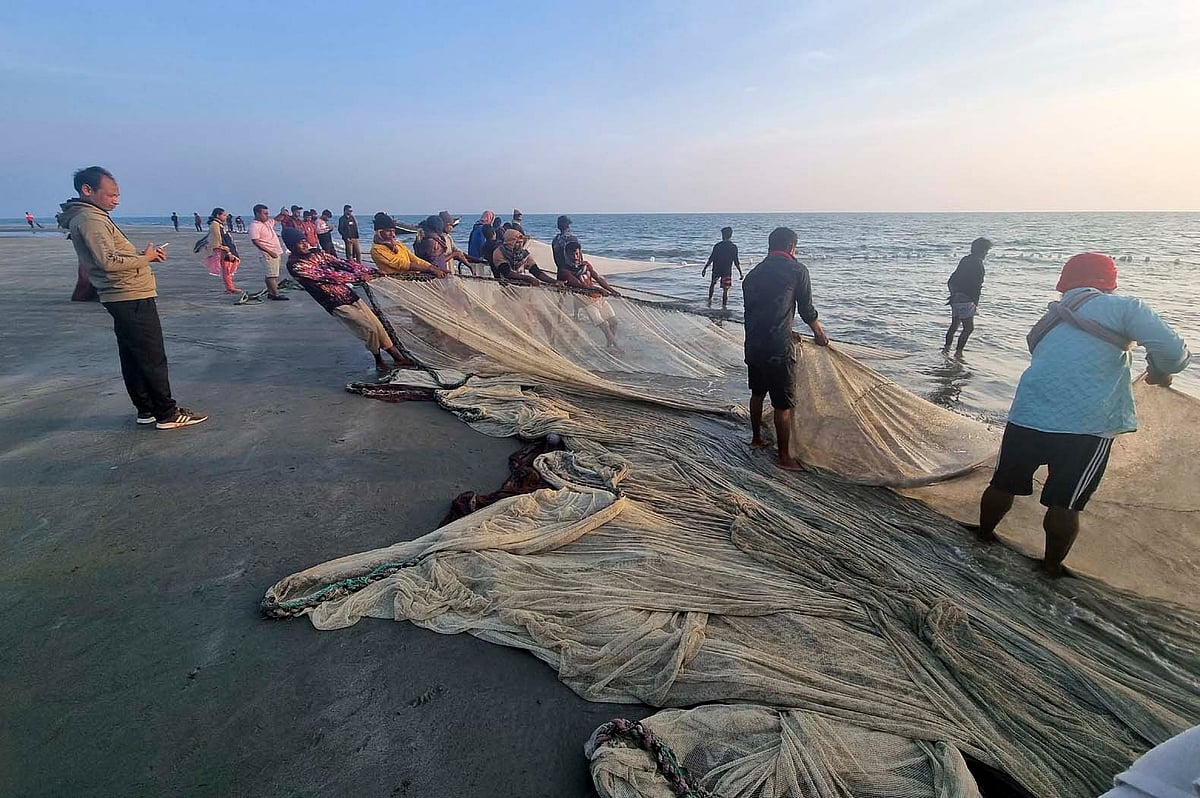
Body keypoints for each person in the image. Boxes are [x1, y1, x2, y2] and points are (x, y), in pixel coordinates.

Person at [975, 253, 1189, 577]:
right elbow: (1173, 355)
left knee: (1002, 484)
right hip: (1085, 424)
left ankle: (984, 535)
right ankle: (1050, 567)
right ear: (1110, 284)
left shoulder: (1052, 316)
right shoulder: (1125, 308)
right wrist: (1160, 369)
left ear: (1065, 284)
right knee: (1066, 502)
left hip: (1028, 413)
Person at [59, 166, 207, 429]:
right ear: (87, 190)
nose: (116, 200)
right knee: (151, 355)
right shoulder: (91, 220)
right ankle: (167, 413)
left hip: (122, 293)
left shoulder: (90, 216)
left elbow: (108, 257)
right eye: (111, 195)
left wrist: (141, 255)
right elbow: (107, 262)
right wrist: (145, 259)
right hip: (127, 292)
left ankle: (147, 409)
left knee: (134, 353)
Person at [742, 227, 829, 471]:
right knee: (783, 405)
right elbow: (806, 310)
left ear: (771, 246)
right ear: (792, 247)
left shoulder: (753, 274)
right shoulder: (797, 270)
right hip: (778, 349)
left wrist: (787, 330)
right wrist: (820, 334)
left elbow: (758, 312)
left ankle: (756, 438)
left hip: (753, 344)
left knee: (757, 394)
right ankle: (784, 458)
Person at [282, 226, 410, 373]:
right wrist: (357, 278)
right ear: (291, 246)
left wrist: (371, 270)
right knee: (369, 329)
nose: (305, 244)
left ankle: (398, 358)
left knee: (378, 326)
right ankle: (379, 360)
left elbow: (343, 263)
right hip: (334, 302)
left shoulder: (317, 254)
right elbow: (327, 276)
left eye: (305, 240)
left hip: (349, 295)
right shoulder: (295, 265)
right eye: (300, 243)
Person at [561, 241, 622, 351]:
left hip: (598, 298)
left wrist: (612, 290)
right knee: (605, 326)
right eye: (572, 254)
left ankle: (609, 346)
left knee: (614, 323)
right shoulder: (565, 270)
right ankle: (618, 348)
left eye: (577, 254)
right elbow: (579, 285)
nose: (575, 257)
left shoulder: (586, 265)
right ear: (566, 254)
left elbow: (598, 279)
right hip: (585, 301)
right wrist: (597, 289)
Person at [943, 237, 992, 354]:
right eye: (986, 251)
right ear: (982, 251)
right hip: (967, 299)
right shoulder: (978, 264)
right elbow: (977, 286)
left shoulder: (965, 260)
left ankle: (946, 348)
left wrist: (953, 294)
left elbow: (951, 280)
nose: (986, 254)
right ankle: (958, 353)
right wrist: (975, 303)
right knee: (968, 328)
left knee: (954, 324)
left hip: (956, 297)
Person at [369, 212, 446, 277]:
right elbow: (401, 264)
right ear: (379, 231)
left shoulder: (398, 244)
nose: (393, 235)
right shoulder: (377, 249)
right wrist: (429, 269)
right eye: (388, 231)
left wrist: (432, 267)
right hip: (397, 282)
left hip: (411, 276)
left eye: (393, 231)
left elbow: (414, 259)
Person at [249, 203, 288, 300]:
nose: (267, 215)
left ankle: (271, 292)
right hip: (268, 254)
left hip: (275, 252)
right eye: (265, 214)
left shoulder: (267, 222)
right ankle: (275, 294)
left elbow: (276, 219)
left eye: (267, 213)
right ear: (257, 214)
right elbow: (256, 241)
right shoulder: (254, 226)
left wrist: (282, 213)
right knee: (272, 276)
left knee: (271, 274)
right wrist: (269, 252)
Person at [702, 226, 743, 309]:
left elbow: (711, 258)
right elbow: (736, 261)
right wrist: (740, 273)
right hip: (726, 271)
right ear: (731, 235)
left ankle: (709, 301)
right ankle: (724, 307)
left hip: (716, 269)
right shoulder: (733, 247)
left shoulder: (717, 246)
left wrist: (705, 268)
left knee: (712, 284)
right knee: (726, 289)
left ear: (722, 235)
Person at [207, 208, 241, 294]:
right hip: (224, 250)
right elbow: (219, 238)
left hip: (226, 249)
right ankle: (230, 287)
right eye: (224, 215)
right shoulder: (215, 224)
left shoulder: (219, 224)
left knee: (228, 267)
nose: (225, 217)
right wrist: (227, 250)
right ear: (218, 215)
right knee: (227, 268)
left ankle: (230, 287)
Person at [438, 211, 475, 276]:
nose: (451, 228)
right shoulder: (438, 239)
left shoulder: (448, 237)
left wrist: (471, 264)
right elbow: (437, 260)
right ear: (444, 225)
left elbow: (459, 253)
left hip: (450, 273)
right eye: (450, 225)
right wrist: (453, 255)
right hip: (441, 273)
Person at [551, 215, 580, 280]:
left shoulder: (555, 240)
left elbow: (555, 258)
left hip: (560, 272)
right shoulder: (571, 238)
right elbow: (578, 257)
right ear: (568, 226)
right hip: (572, 273)